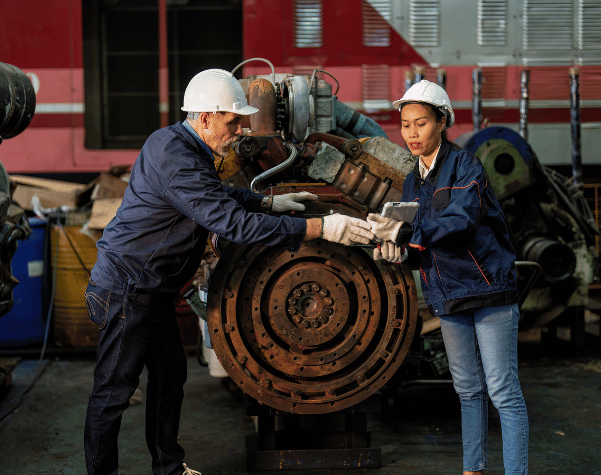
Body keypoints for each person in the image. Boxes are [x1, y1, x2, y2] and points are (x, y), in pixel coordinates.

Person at [83, 68, 374, 475]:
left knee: (169, 378)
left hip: (150, 288)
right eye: (232, 121)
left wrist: (267, 204)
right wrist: (320, 227)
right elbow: (231, 224)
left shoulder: (184, 147)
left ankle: (169, 468)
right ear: (205, 118)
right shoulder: (176, 157)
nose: (240, 130)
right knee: (113, 391)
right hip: (128, 289)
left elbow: (216, 195)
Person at [367, 80, 529, 475]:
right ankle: (473, 470)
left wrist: (406, 233)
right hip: (448, 296)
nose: (411, 134)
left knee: (502, 391)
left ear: (442, 122)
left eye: (421, 123)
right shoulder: (411, 181)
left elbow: (458, 224)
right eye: (405, 125)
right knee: (467, 391)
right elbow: (422, 242)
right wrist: (397, 251)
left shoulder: (466, 166)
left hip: (489, 291)